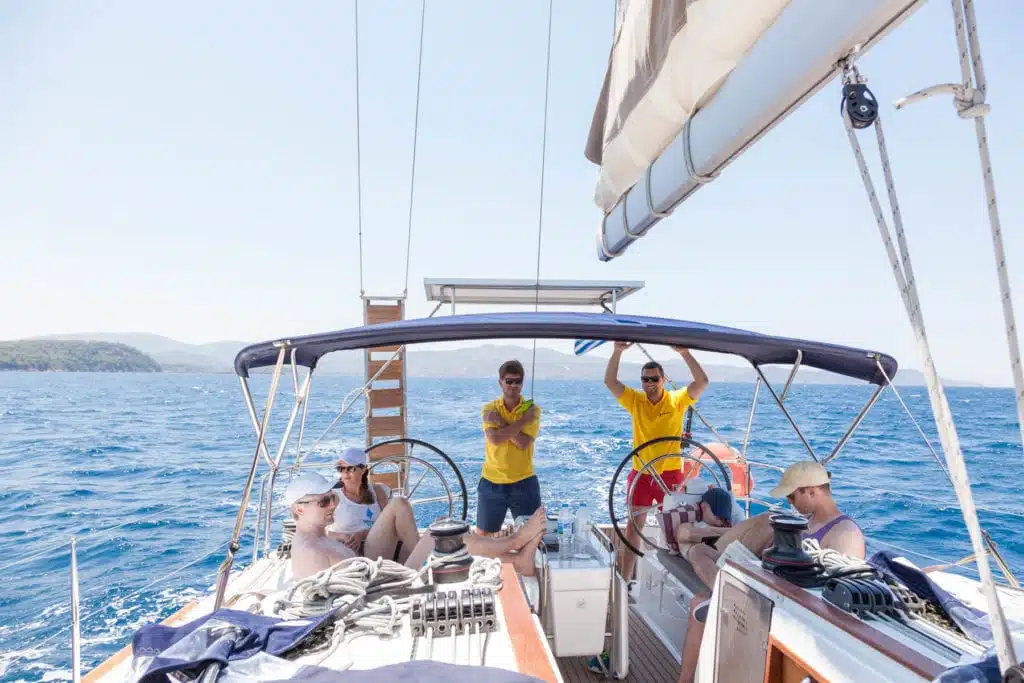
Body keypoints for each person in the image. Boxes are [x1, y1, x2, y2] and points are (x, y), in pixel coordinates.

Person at [677, 461, 864, 683]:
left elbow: (835, 599)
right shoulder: (803, 522)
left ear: (811, 491)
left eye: (792, 497)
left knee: (699, 604)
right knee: (699, 552)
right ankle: (725, 596)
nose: (789, 502)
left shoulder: (844, 533)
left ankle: (724, 600)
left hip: (787, 608)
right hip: (764, 587)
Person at [285, 470, 547, 581]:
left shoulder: (318, 538)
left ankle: (518, 560)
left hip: (377, 569)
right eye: (324, 502)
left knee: (444, 529)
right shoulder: (310, 551)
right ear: (299, 509)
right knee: (444, 535)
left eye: (332, 498)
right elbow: (327, 603)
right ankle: (513, 543)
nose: (332, 505)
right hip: (390, 584)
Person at [604, 342, 709, 582]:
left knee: (675, 530)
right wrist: (618, 351)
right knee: (633, 530)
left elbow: (702, 382)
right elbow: (610, 382)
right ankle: (626, 581)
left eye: (654, 379)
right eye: (645, 379)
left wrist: (685, 353)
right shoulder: (635, 401)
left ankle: (677, 582)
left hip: (670, 475)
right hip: (641, 474)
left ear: (663, 380)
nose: (649, 384)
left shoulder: (676, 401)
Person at [478, 360, 542, 535]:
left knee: (532, 538)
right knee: (484, 537)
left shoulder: (533, 410)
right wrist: (522, 421)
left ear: (523, 382)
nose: (513, 385)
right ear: (500, 382)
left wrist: (499, 422)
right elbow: (495, 439)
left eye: (518, 381)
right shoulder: (488, 409)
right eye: (509, 381)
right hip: (492, 482)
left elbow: (523, 443)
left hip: (524, 482)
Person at [661, 487, 734, 556]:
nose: (722, 520)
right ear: (704, 507)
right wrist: (728, 535)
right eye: (719, 515)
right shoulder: (688, 526)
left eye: (725, 517)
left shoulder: (728, 525)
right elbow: (689, 534)